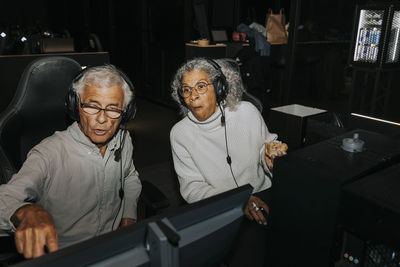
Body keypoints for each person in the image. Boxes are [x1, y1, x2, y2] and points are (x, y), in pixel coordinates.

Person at [0, 64, 142, 259]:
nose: (102, 118)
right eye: (92, 106)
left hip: (112, 248)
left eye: (113, 109)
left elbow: (130, 177)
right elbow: (5, 198)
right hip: (65, 256)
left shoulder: (124, 141)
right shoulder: (48, 153)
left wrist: (129, 216)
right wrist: (24, 212)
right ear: (76, 106)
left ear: (126, 112)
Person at [169, 57, 287, 267]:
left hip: (263, 193)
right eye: (186, 90)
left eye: (201, 86)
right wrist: (238, 202)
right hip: (220, 205)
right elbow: (192, 189)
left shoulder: (248, 112)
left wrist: (270, 155)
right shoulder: (179, 134)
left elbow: (265, 144)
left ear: (220, 87)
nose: (193, 95)